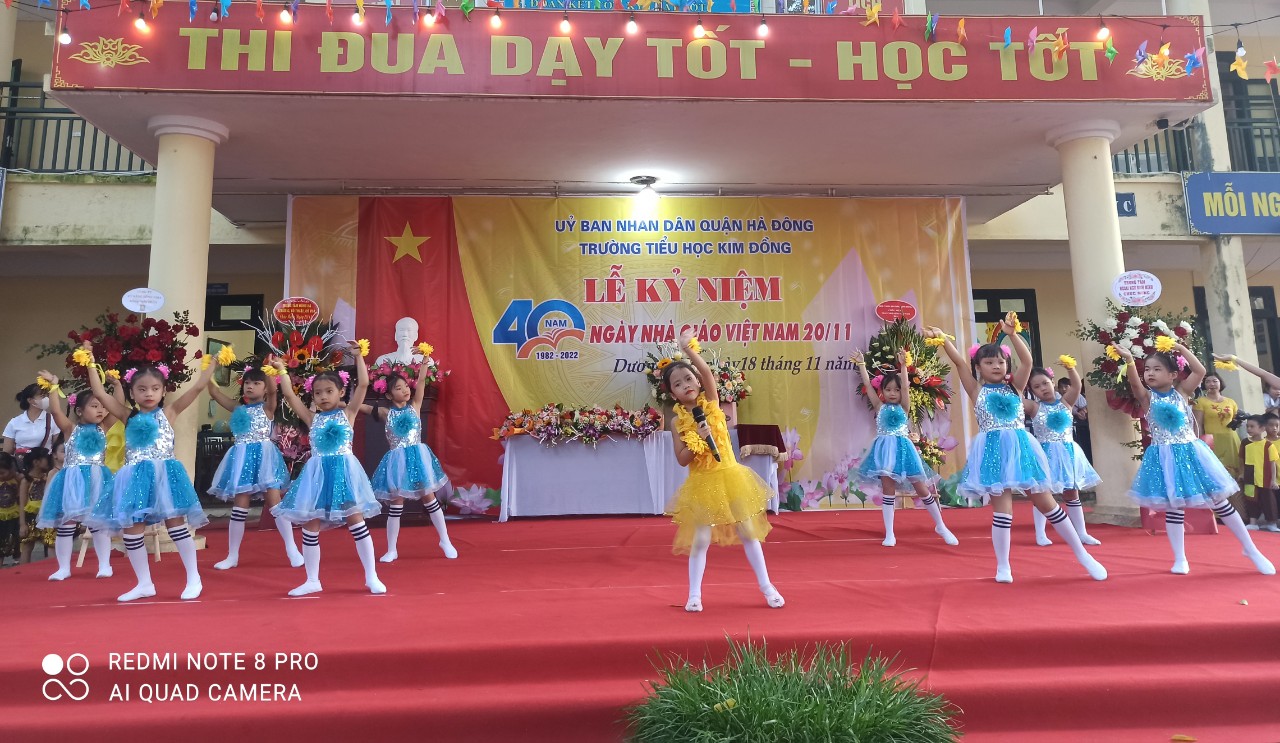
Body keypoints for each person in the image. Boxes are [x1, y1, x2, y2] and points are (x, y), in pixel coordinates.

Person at [926, 313, 1107, 583]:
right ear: (979, 367)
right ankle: (1003, 566)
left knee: (1048, 504)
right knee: (1003, 512)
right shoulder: (976, 390)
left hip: (1022, 449)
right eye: (989, 362)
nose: (996, 366)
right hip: (993, 451)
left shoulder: (1016, 388)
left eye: (1001, 361)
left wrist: (1012, 334)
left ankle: (1083, 555)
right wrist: (943, 340)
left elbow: (1028, 361)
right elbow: (959, 363)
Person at [1119, 344, 1274, 575]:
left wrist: (1180, 347)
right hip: (1164, 458)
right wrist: (1130, 361)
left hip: (1192, 455)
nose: (1150, 373)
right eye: (1147, 369)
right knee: (1174, 508)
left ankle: (1251, 549)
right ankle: (1180, 558)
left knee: (1220, 501)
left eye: (1157, 369)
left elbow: (1200, 370)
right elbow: (1134, 385)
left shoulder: (1182, 392)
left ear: (1173, 374)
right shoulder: (1147, 398)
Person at [662, 328, 784, 612]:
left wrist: (688, 350)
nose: (686, 385)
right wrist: (697, 440)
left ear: (697, 381)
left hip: (731, 476)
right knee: (701, 539)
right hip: (703, 483)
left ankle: (767, 587)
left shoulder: (713, 404)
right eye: (678, 384)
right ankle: (694, 595)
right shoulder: (677, 422)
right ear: (672, 393)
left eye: (689, 378)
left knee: (748, 532)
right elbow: (681, 459)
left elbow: (707, 372)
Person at [83, 347, 217, 602]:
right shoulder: (126, 415)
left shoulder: (169, 412)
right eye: (142, 389)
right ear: (132, 393)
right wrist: (90, 362)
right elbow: (99, 392)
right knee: (132, 531)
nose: (149, 393)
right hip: (135, 479)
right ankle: (144, 583)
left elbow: (198, 387)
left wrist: (212, 365)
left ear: (163, 391)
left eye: (155, 388)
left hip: (166, 476)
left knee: (176, 526)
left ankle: (194, 578)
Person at [270, 346, 386, 597]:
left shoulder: (349, 412)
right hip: (317, 477)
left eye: (329, 391)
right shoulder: (312, 418)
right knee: (310, 525)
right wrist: (282, 372)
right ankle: (312, 580)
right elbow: (289, 395)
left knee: (356, 521)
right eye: (318, 393)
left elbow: (363, 384)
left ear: (341, 392)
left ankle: (372, 576)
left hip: (344, 474)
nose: (323, 396)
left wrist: (359, 356)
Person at [852, 348, 957, 548]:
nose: (892, 393)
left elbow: (907, 387)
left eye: (896, 390)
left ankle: (941, 526)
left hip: (904, 450)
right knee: (888, 490)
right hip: (884, 452)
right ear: (882, 392)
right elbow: (867, 383)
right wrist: (862, 364)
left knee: (922, 488)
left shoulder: (904, 407)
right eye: (888, 389)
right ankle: (890, 533)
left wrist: (903, 365)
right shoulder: (879, 406)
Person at [206, 366, 302, 570]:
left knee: (275, 503)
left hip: (265, 460)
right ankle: (232, 556)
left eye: (256, 383)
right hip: (241, 460)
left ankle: (292, 549)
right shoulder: (237, 408)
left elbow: (274, 391)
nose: (250, 386)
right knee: (239, 508)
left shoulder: (268, 407)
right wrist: (209, 367)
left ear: (265, 388)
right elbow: (214, 392)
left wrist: (270, 371)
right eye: (247, 383)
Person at [365, 362, 457, 563]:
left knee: (429, 499)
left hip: (418, 460)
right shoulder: (386, 413)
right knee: (396, 505)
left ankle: (445, 541)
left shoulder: (415, 406)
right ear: (389, 395)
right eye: (398, 388)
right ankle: (392, 549)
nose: (405, 390)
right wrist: (340, 404)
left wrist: (425, 361)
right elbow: (361, 407)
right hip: (397, 464)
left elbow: (421, 381)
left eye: (406, 386)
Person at [34, 373, 121, 580]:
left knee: (98, 524)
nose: (101, 410)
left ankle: (105, 565)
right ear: (79, 411)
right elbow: (56, 411)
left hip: (97, 480)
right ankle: (63, 568)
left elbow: (117, 407)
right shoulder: (70, 429)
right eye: (94, 406)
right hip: (72, 482)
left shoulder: (104, 427)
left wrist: (118, 385)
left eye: (103, 406)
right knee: (67, 524)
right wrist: (54, 386)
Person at [1024, 363, 1102, 547]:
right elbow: (1015, 397)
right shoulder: (1034, 407)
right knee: (1042, 493)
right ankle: (1040, 534)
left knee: (1072, 492)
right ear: (1032, 391)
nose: (1043, 388)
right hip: (1045, 455)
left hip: (1068, 453)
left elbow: (1077, 386)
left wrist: (1070, 368)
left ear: (1052, 382)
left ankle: (1081, 533)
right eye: (1037, 386)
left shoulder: (1066, 403)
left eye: (1045, 383)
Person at [1192, 374, 1242, 514]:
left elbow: (1236, 421)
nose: (1212, 384)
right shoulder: (1200, 402)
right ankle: (1218, 512)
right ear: (1204, 385)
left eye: (1215, 381)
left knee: (1235, 473)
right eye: (1208, 381)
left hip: (1231, 440)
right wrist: (1198, 442)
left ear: (1221, 383)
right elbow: (1198, 424)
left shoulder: (1231, 402)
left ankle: (1239, 509)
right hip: (1211, 441)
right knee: (1214, 474)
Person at [1237, 415, 1280, 532]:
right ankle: (1253, 522)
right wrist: (1242, 473)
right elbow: (1241, 459)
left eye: (1252, 426)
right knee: (1251, 498)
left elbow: (1272, 464)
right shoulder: (1245, 442)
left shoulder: (1268, 445)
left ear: (1262, 428)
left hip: (1265, 476)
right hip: (1250, 476)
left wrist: (1273, 480)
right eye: (1247, 426)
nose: (1249, 429)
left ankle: (1271, 522)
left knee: (1268, 499)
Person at [18, 447, 55, 564]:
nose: (49, 461)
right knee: (27, 546)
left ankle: (52, 568)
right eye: (46, 459)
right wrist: (22, 524)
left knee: (50, 543)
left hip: (45, 515)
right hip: (31, 517)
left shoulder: (48, 478)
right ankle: (23, 570)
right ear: (36, 462)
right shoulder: (26, 481)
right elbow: (22, 504)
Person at [3, 383, 54, 455]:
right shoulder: (14, 422)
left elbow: (57, 447)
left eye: (47, 395)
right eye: (42, 396)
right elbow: (6, 452)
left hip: (44, 461)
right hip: (21, 461)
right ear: (30, 400)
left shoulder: (52, 419)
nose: (46, 399)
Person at [1057, 376, 1092, 461]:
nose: (1063, 389)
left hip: (1080, 425)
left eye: (1066, 386)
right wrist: (1076, 413)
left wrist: (1082, 412)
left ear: (1071, 387)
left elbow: (1085, 407)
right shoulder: (1057, 398)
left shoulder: (1077, 396)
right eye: (1061, 387)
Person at [0, 453, 19, 566]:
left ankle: (17, 560)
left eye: (2, 473)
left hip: (13, 514)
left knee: (14, 538)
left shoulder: (16, 480)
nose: (0, 476)